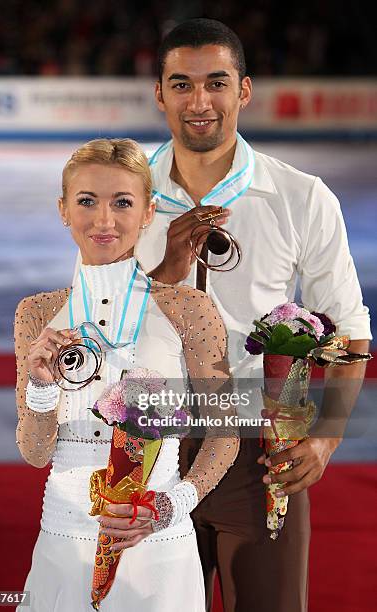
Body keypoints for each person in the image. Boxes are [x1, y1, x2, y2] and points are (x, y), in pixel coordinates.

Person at [134, 18, 372, 612]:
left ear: (244, 91)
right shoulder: (122, 194)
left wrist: (326, 437)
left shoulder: (299, 196)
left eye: (216, 82)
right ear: (159, 93)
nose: (199, 101)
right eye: (181, 84)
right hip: (146, 442)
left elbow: (350, 328)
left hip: (260, 451)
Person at [14, 138, 239, 611]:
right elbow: (35, 455)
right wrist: (39, 386)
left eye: (122, 202)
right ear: (62, 209)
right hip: (64, 538)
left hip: (156, 544)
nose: (104, 220)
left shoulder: (188, 309)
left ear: (148, 211)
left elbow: (225, 434)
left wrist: (168, 507)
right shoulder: (36, 315)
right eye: (86, 201)